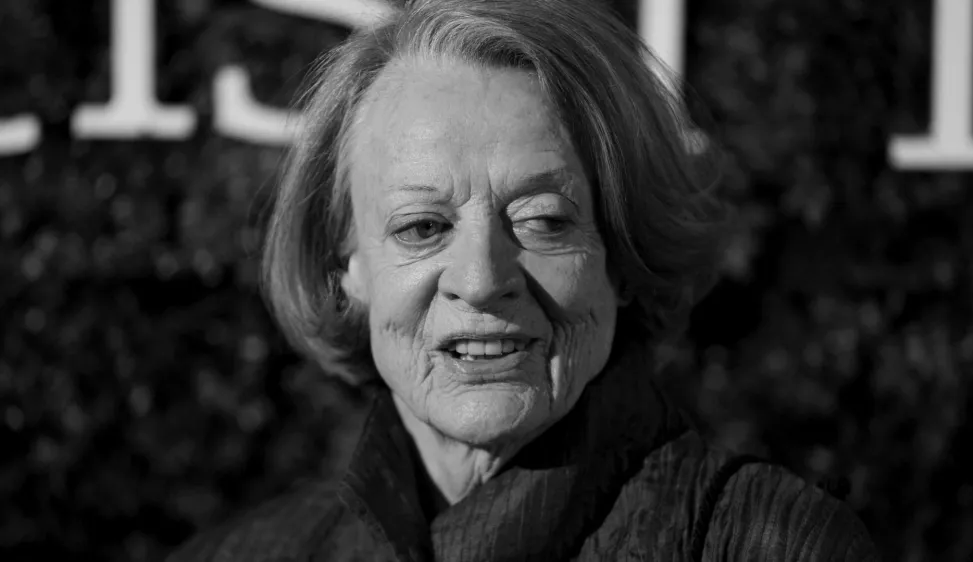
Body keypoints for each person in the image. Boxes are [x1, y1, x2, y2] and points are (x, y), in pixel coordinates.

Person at [169, 0, 879, 560]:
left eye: (542, 221)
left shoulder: (773, 545)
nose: (481, 280)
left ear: (621, 257)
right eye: (423, 227)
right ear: (346, 267)